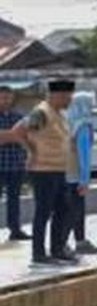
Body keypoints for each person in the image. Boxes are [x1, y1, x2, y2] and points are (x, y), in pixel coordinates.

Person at [1, 78, 79, 265]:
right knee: (43, 212)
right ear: (57, 95)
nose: (69, 101)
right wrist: (31, 150)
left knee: (63, 209)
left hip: (58, 168)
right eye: (67, 97)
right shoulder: (41, 113)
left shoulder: (58, 114)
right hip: (43, 169)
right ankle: (39, 253)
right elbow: (18, 131)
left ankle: (57, 248)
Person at [64, 91, 97, 255]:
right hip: (76, 174)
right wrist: (85, 180)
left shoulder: (66, 122)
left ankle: (75, 241)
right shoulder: (83, 126)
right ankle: (69, 241)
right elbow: (84, 155)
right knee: (75, 211)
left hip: (64, 172)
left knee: (66, 210)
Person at [0, 86, 31, 242]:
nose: (5, 101)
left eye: (8, 98)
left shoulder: (18, 117)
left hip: (16, 164)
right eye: (2, 97)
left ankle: (15, 229)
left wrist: (9, 136)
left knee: (14, 199)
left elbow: (26, 137)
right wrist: (14, 135)